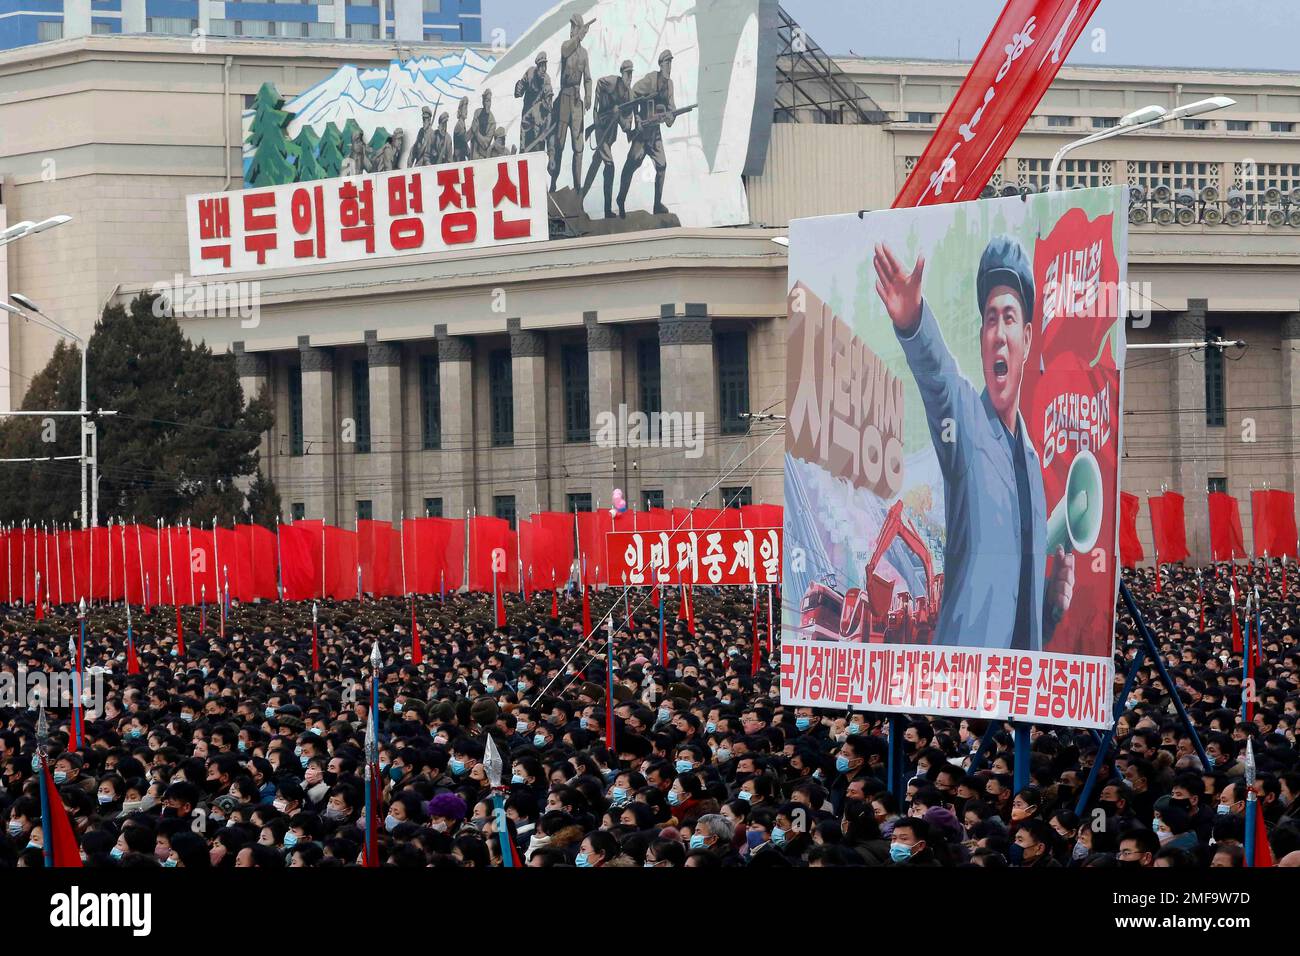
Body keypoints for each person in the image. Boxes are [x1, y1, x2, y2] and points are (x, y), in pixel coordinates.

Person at [872, 235, 1075, 650]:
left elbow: (1018, 617)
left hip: (1017, 684)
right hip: (964, 679)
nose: (998, 333)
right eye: (990, 319)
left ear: (1027, 338)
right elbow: (940, 379)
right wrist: (913, 323)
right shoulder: (967, 423)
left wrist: (1051, 607)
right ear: (982, 337)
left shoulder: (1032, 466)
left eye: (1009, 318)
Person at [617, 50, 677, 218]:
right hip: (642, 133)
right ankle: (620, 200)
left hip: (655, 134)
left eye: (670, 63)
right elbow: (633, 93)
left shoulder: (669, 85)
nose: (669, 67)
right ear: (661, 65)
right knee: (630, 166)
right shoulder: (651, 79)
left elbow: (672, 110)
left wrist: (670, 117)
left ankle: (657, 205)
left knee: (662, 166)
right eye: (666, 63)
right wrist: (637, 117)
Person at [581, 60, 635, 219]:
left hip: (610, 133)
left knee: (596, 163)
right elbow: (598, 84)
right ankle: (606, 210)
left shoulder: (630, 96)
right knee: (610, 166)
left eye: (631, 74)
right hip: (601, 127)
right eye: (627, 73)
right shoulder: (612, 81)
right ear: (622, 73)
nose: (629, 77)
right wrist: (595, 112)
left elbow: (626, 127)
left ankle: (581, 198)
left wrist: (620, 116)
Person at [550, 13, 593, 193]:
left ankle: (577, 187)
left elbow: (588, 78)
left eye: (574, 26)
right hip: (564, 100)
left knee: (578, 147)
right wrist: (578, 37)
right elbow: (565, 51)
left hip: (576, 103)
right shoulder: (566, 46)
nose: (571, 29)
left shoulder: (584, 54)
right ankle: (553, 183)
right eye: (572, 26)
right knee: (559, 144)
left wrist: (588, 96)